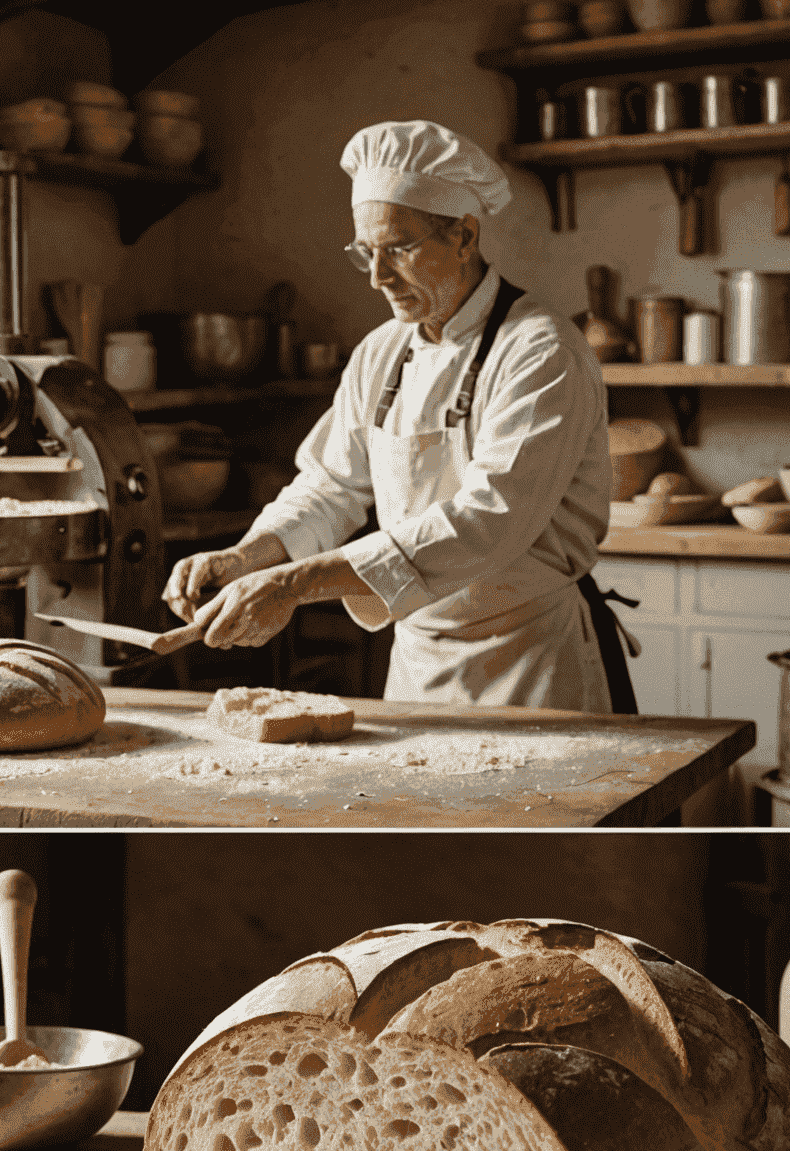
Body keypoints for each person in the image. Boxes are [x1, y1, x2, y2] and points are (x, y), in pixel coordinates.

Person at [163, 120, 632, 713]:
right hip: (417, 662)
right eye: (366, 253)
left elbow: (488, 520)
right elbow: (330, 485)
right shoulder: (383, 351)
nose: (379, 277)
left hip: (528, 661)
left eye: (400, 249)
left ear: (463, 236)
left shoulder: (542, 350)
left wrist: (294, 584)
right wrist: (247, 556)